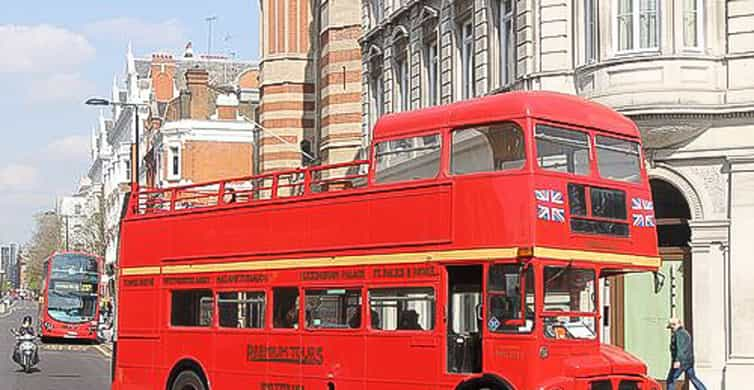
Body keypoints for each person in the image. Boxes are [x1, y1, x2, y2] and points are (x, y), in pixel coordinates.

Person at [666, 318, 707, 390]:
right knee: (693, 378)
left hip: (681, 361)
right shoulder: (685, 333)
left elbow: (680, 348)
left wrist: (677, 360)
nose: (671, 330)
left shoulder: (678, 334)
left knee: (670, 380)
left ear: (674, 325)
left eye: (671, 327)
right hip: (689, 361)